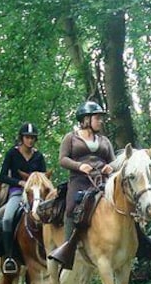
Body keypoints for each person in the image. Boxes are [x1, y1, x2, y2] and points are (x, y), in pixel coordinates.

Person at [48, 101, 115, 269]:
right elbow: (62, 159)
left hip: (103, 180)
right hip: (79, 180)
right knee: (71, 208)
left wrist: (110, 167)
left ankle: (137, 242)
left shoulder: (104, 140)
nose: (101, 121)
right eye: (97, 118)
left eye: (101, 118)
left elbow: (114, 161)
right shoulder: (70, 137)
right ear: (86, 119)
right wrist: (79, 166)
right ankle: (67, 249)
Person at [0, 122, 47, 274]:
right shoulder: (12, 153)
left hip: (36, 194)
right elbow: (2, 176)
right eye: (27, 137)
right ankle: (10, 257)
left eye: (32, 138)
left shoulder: (39, 156)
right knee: (7, 219)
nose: (30, 140)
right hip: (17, 192)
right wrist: (20, 182)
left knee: (50, 216)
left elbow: (43, 176)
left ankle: (49, 253)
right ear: (22, 138)